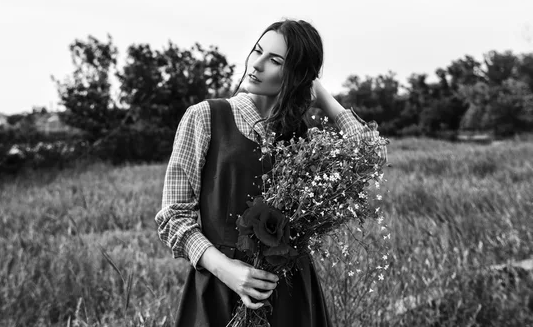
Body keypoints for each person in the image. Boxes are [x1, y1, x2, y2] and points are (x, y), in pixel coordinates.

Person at [155, 19, 387, 327]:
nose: (256, 64)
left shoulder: (303, 137)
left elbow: (372, 155)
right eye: (257, 51)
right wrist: (227, 269)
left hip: (291, 291)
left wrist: (325, 98)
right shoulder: (205, 117)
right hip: (219, 287)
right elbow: (173, 216)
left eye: (275, 60)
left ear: (296, 76)